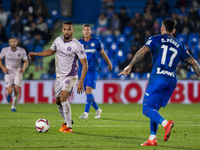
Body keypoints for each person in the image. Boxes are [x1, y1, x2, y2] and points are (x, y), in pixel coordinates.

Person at [118, 19, 200, 146]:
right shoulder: (180, 45)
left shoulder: (155, 39)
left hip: (158, 77)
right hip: (172, 81)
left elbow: (142, 51)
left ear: (161, 29)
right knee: (154, 108)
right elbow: (194, 63)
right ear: (173, 31)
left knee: (146, 108)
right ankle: (152, 138)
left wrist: (130, 65)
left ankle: (166, 124)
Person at [28, 21, 88, 133]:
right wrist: (37, 54)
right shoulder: (58, 40)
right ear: (62, 30)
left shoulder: (77, 45)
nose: (66, 31)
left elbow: (85, 64)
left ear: (73, 30)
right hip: (59, 77)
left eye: (69, 29)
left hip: (71, 76)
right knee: (58, 101)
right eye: (65, 29)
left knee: (63, 96)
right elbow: (51, 51)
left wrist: (81, 82)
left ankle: (69, 127)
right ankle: (66, 121)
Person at [78, 24, 113, 119]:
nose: (86, 31)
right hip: (82, 71)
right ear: (82, 31)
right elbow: (74, 55)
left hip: (93, 70)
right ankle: (98, 110)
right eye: (84, 30)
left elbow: (103, 53)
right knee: (88, 93)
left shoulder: (96, 42)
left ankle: (86, 113)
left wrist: (109, 63)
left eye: (87, 30)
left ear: (90, 31)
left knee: (89, 89)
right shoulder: (78, 43)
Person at [0, 37, 29, 112]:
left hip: (17, 71)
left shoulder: (21, 50)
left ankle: (13, 106)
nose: (13, 43)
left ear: (17, 42)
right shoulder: (5, 50)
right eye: (11, 41)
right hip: (8, 72)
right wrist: (3, 67)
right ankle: (8, 94)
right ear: (9, 43)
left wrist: (24, 68)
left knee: (16, 89)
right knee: (10, 90)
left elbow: (26, 61)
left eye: (14, 41)